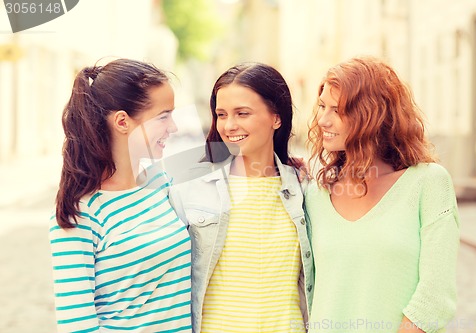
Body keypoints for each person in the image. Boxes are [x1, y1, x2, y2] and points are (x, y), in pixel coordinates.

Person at [305, 56, 460, 333]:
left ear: (372, 115)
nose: (323, 120)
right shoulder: (315, 196)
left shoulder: (428, 184)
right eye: (321, 107)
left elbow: (436, 298)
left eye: (337, 110)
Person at [169, 63, 314, 333]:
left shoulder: (306, 189)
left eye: (242, 113)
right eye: (221, 114)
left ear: (276, 118)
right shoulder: (188, 186)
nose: (229, 125)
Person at [49, 59, 192, 332]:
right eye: (163, 116)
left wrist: (289, 164)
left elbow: (238, 162)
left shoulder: (159, 183)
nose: (173, 127)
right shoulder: (79, 214)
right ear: (123, 121)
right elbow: (77, 327)